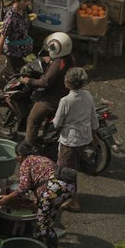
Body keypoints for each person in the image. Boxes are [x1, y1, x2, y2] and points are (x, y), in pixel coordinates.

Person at [10, 32, 74, 142]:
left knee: (32, 119)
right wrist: (50, 59)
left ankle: (28, 147)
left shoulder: (57, 64)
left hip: (52, 98)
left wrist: (28, 80)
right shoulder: (69, 58)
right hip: (65, 92)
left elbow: (44, 82)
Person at [52, 66, 98, 206]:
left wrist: (55, 122)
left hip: (70, 141)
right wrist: (94, 134)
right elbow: (93, 117)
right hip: (84, 138)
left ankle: (73, 201)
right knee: (73, 168)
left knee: (65, 172)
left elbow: (57, 123)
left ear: (68, 82)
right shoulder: (88, 95)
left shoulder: (66, 100)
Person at [34, 166, 77, 248]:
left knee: (43, 226)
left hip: (48, 202)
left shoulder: (53, 185)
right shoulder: (71, 186)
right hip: (56, 202)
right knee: (50, 219)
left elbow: (43, 197)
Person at [0, 0, 35, 75]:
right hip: (14, 52)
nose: (28, 3)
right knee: (14, 73)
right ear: (16, 0)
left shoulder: (24, 10)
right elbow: (2, 37)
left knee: (11, 72)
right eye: (25, 1)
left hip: (23, 51)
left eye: (28, 0)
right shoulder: (10, 18)